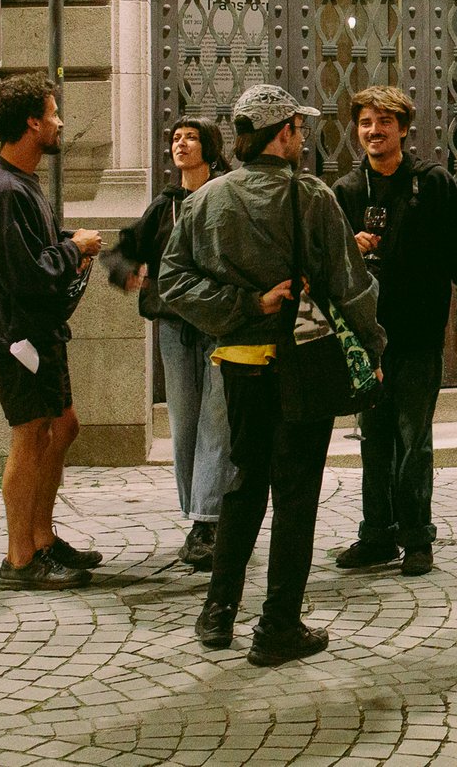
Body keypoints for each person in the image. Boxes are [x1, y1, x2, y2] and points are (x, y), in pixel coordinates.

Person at [162, 84, 383, 666]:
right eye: (298, 128)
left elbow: (173, 282)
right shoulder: (309, 195)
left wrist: (242, 307)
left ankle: (217, 615)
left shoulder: (207, 199)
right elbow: (350, 285)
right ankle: (278, 625)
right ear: (281, 133)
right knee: (295, 495)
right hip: (302, 362)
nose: (303, 137)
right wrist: (373, 346)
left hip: (237, 365)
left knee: (242, 484)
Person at [330, 86, 457, 577]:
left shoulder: (433, 183)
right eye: (365, 123)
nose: (374, 131)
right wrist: (349, 248)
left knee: (413, 438)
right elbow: (329, 268)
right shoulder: (347, 192)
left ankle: (417, 537)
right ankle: (376, 535)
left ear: (402, 127)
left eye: (384, 122)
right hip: (365, 340)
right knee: (374, 438)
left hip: (417, 334)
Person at [0, 73, 104, 591]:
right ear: (32, 123)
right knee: (31, 435)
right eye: (53, 113)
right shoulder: (4, 190)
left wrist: (68, 240)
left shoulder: (20, 183)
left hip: (36, 333)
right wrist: (76, 250)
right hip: (16, 338)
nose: (60, 122)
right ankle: (20, 560)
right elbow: (25, 275)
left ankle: (43, 537)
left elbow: (29, 249)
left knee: (63, 425)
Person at [103, 116, 232, 571]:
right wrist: (131, 276)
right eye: (175, 138)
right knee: (185, 425)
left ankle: (207, 523)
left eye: (190, 138)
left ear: (209, 148)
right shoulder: (164, 206)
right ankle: (198, 517)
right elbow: (119, 253)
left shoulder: (226, 196)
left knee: (219, 423)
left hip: (220, 325)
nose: (180, 144)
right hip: (176, 328)